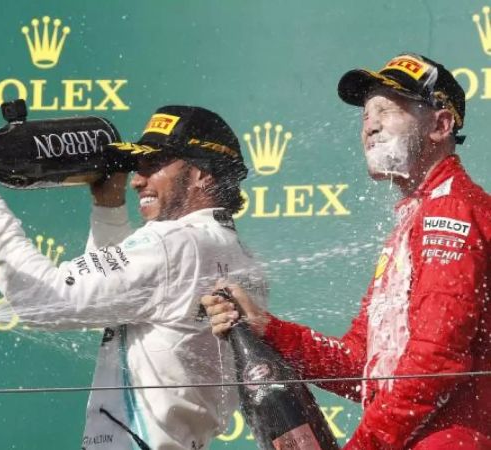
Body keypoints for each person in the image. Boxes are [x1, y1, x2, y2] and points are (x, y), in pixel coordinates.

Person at [0, 106, 268, 450]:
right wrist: (109, 206)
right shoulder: (242, 258)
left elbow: (43, 300)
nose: (138, 179)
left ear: (203, 175)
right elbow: (120, 302)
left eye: (154, 165)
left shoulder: (173, 243)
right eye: (137, 166)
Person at [202, 53, 491, 449]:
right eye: (366, 115)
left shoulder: (452, 211)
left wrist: (364, 446)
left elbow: (435, 363)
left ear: (440, 125)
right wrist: (268, 329)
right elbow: (364, 367)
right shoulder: (417, 218)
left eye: (387, 111)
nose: (370, 125)